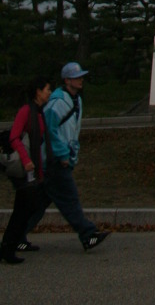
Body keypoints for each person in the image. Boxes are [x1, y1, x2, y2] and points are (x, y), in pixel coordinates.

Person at [32, 62, 109, 253]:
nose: (80, 79)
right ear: (67, 80)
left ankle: (16, 237)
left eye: (81, 76)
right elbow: (50, 131)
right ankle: (88, 234)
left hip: (58, 159)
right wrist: (63, 154)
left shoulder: (75, 100)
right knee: (69, 199)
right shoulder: (58, 102)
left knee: (37, 204)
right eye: (76, 77)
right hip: (55, 161)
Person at [1, 75, 52, 265]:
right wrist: (26, 159)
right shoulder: (26, 111)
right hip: (22, 168)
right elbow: (14, 137)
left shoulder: (39, 112)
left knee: (24, 208)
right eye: (47, 89)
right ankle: (8, 247)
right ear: (38, 92)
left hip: (31, 168)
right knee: (25, 207)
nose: (49, 93)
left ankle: (8, 247)